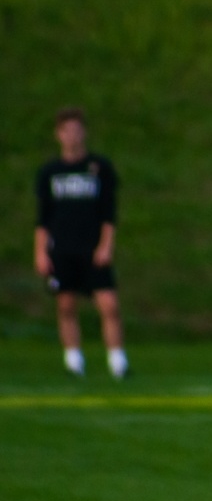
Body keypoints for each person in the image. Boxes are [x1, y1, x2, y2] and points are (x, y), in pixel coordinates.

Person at [34, 108, 128, 379]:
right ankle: (74, 361)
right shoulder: (51, 172)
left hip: (92, 246)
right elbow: (43, 217)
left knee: (109, 304)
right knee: (66, 305)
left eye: (76, 130)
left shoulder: (99, 168)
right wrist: (40, 252)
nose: (72, 136)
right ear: (58, 135)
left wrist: (106, 245)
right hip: (62, 247)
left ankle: (117, 362)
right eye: (67, 131)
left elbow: (108, 212)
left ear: (84, 132)